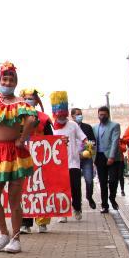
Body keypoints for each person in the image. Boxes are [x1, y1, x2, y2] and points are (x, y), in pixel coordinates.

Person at [0, 36, 38, 254]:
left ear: (16, 82)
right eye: (4, 80)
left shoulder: (21, 103)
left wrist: (23, 139)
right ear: (1, 80)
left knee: (14, 197)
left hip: (15, 152)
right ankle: (3, 233)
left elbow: (32, 120)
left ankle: (15, 238)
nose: (7, 83)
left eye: (11, 80)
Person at [50, 92, 88, 223]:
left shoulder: (73, 125)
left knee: (75, 187)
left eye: (62, 111)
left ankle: (77, 208)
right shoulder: (51, 128)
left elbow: (84, 139)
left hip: (73, 163)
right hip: (58, 164)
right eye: (57, 111)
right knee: (61, 189)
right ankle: (63, 213)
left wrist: (82, 150)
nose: (60, 114)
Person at [20, 88, 53, 233]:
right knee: (24, 190)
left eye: (31, 98)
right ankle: (25, 223)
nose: (28, 101)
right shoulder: (17, 117)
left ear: (37, 101)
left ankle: (42, 222)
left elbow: (51, 140)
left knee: (41, 189)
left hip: (41, 159)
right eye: (26, 98)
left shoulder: (44, 119)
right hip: (23, 157)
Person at [93, 106, 122, 213]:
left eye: (104, 114)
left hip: (112, 157)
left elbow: (115, 141)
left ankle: (112, 197)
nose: (102, 116)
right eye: (100, 114)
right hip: (99, 157)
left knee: (113, 180)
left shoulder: (115, 126)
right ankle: (104, 205)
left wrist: (111, 156)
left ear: (108, 115)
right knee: (102, 182)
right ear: (98, 115)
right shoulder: (95, 128)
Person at [71, 107, 97, 210]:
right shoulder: (70, 127)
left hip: (86, 158)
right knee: (75, 183)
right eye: (77, 114)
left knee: (89, 180)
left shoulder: (87, 127)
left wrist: (87, 152)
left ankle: (89, 197)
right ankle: (78, 204)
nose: (80, 116)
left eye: (81, 114)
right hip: (73, 159)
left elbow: (93, 142)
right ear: (72, 116)